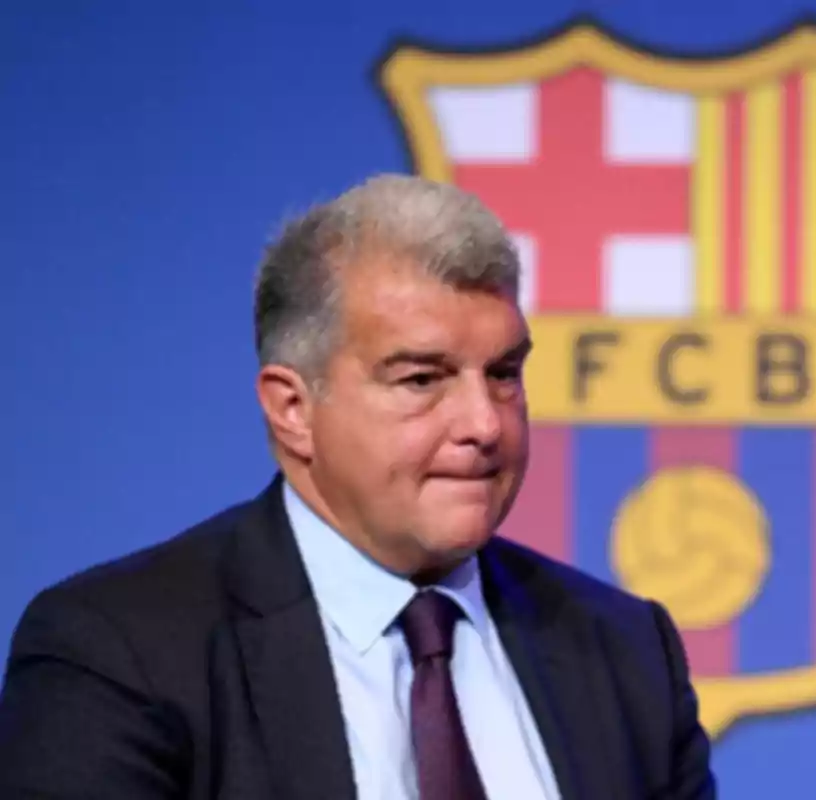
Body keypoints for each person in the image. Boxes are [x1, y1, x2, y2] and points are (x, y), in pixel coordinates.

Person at [0, 175, 717, 799]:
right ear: (294, 410)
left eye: (503, 374)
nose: (484, 424)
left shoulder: (623, 651)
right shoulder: (122, 652)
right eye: (421, 379)